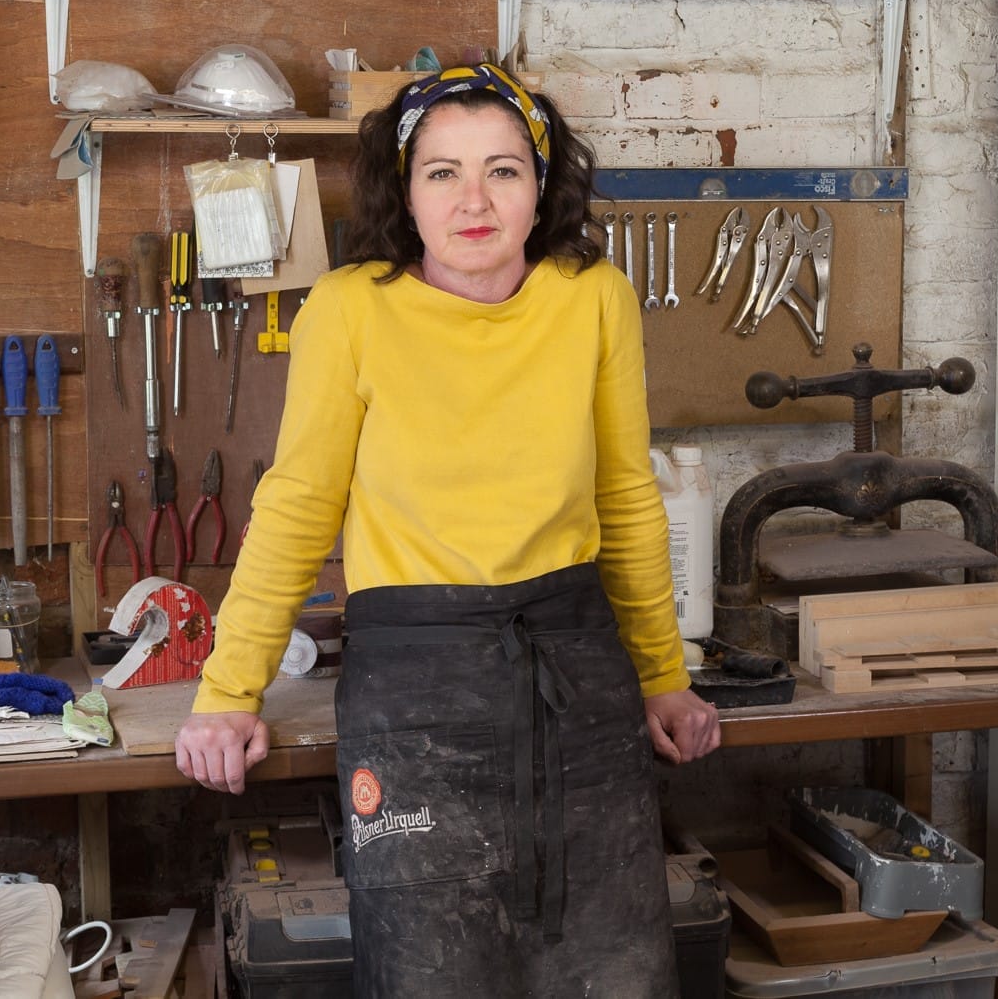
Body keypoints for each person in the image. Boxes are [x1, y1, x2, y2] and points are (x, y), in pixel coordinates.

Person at [176, 62, 721, 997]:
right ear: (405, 189)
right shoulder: (349, 309)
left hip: (576, 678)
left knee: (615, 974)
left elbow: (629, 497)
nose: (475, 199)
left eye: (503, 170)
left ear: (540, 187)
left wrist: (664, 678)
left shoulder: (595, 298)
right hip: (415, 693)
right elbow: (298, 504)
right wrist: (229, 691)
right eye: (444, 173)